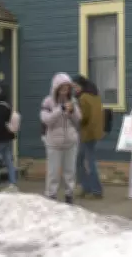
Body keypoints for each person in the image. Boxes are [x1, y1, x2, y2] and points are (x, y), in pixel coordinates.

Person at [41, 72, 82, 203]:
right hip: (54, 143)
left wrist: (72, 111)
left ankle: (69, 194)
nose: (65, 90)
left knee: (70, 171)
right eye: (63, 87)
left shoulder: (73, 101)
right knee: (53, 172)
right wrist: (60, 109)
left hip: (70, 142)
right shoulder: (48, 102)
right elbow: (46, 120)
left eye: (67, 87)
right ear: (56, 88)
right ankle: (51, 195)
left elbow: (78, 120)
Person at [72, 75, 104, 199]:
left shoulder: (84, 97)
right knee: (82, 160)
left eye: (76, 86)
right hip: (94, 132)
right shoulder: (95, 95)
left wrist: (72, 113)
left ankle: (94, 189)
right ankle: (88, 188)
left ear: (81, 85)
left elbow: (83, 117)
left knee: (86, 162)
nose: (75, 89)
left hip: (86, 133)